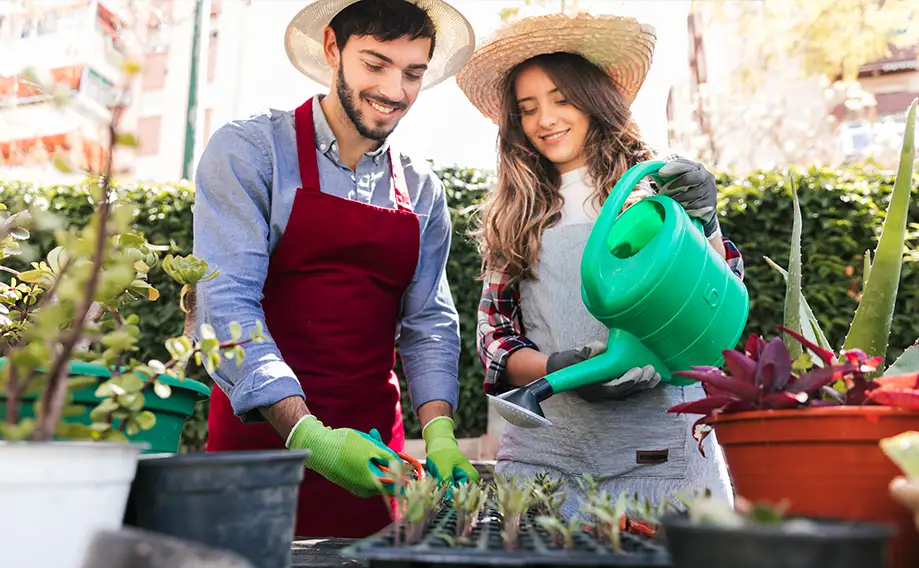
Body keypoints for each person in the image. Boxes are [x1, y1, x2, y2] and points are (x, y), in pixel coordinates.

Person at [191, 0, 479, 538]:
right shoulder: (252, 152)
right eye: (376, 64)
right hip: (257, 455)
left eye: (412, 73)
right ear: (331, 49)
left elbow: (429, 324)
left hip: (374, 465)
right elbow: (224, 305)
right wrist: (308, 435)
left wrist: (439, 431)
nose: (395, 91)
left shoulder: (422, 191)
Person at [455, 13, 742, 519]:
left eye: (561, 99)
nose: (545, 120)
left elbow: (716, 304)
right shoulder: (512, 213)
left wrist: (703, 220)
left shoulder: (653, 192)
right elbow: (494, 336)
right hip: (549, 459)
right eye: (528, 109)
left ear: (594, 99)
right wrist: (556, 368)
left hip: (660, 455)